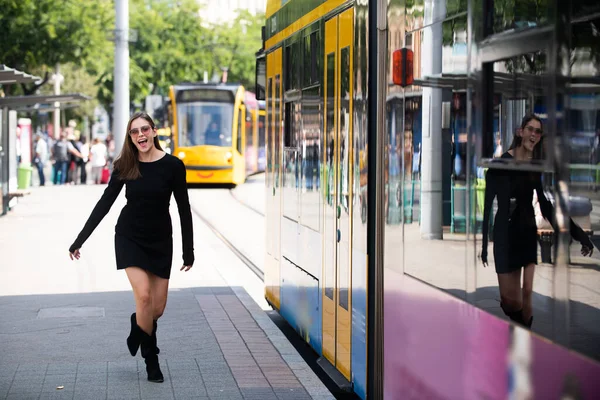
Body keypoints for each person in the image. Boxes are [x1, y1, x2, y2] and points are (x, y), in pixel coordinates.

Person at [68, 112, 194, 383]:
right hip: (129, 238)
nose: (140, 135)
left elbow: (184, 209)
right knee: (145, 297)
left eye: (145, 129)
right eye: (134, 132)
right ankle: (152, 360)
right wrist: (79, 240)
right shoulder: (125, 165)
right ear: (130, 137)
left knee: (156, 309)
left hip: (161, 241)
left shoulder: (173, 166)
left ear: (154, 131)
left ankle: (137, 326)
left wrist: (189, 250)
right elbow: (104, 204)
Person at [481, 114, 593, 329]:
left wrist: (579, 235)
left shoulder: (534, 168)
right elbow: (487, 206)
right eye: (530, 129)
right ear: (520, 132)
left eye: (538, 131)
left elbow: (546, 207)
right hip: (504, 235)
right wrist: (485, 246)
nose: (534, 134)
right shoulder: (500, 165)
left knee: (526, 297)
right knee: (509, 301)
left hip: (527, 233)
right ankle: (520, 326)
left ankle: (525, 339)